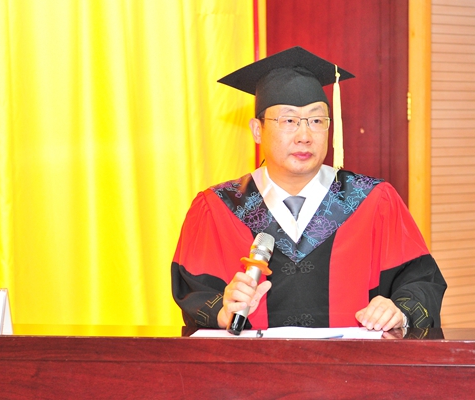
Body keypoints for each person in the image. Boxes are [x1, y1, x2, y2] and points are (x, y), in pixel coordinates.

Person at [171, 46, 446, 333]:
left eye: (316, 121)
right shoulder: (217, 207)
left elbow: (420, 281)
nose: (304, 136)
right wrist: (222, 312)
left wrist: (399, 311)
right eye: (288, 121)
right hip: (252, 361)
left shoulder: (374, 201)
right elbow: (194, 294)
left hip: (352, 361)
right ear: (257, 130)